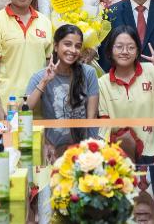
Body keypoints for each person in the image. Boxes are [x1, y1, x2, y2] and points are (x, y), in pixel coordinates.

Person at [98, 26, 154, 161]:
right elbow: (104, 126)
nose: (125, 52)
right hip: (120, 155)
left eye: (131, 47)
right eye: (119, 47)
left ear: (138, 51)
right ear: (110, 50)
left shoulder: (153, 71)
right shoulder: (103, 83)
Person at [26, 24, 99, 158]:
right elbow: (23, 110)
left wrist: (90, 150)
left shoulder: (89, 73)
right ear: (55, 46)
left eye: (77, 46)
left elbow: (92, 118)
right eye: (67, 44)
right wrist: (44, 82)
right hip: (53, 150)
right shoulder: (40, 76)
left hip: (83, 150)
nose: (73, 50)